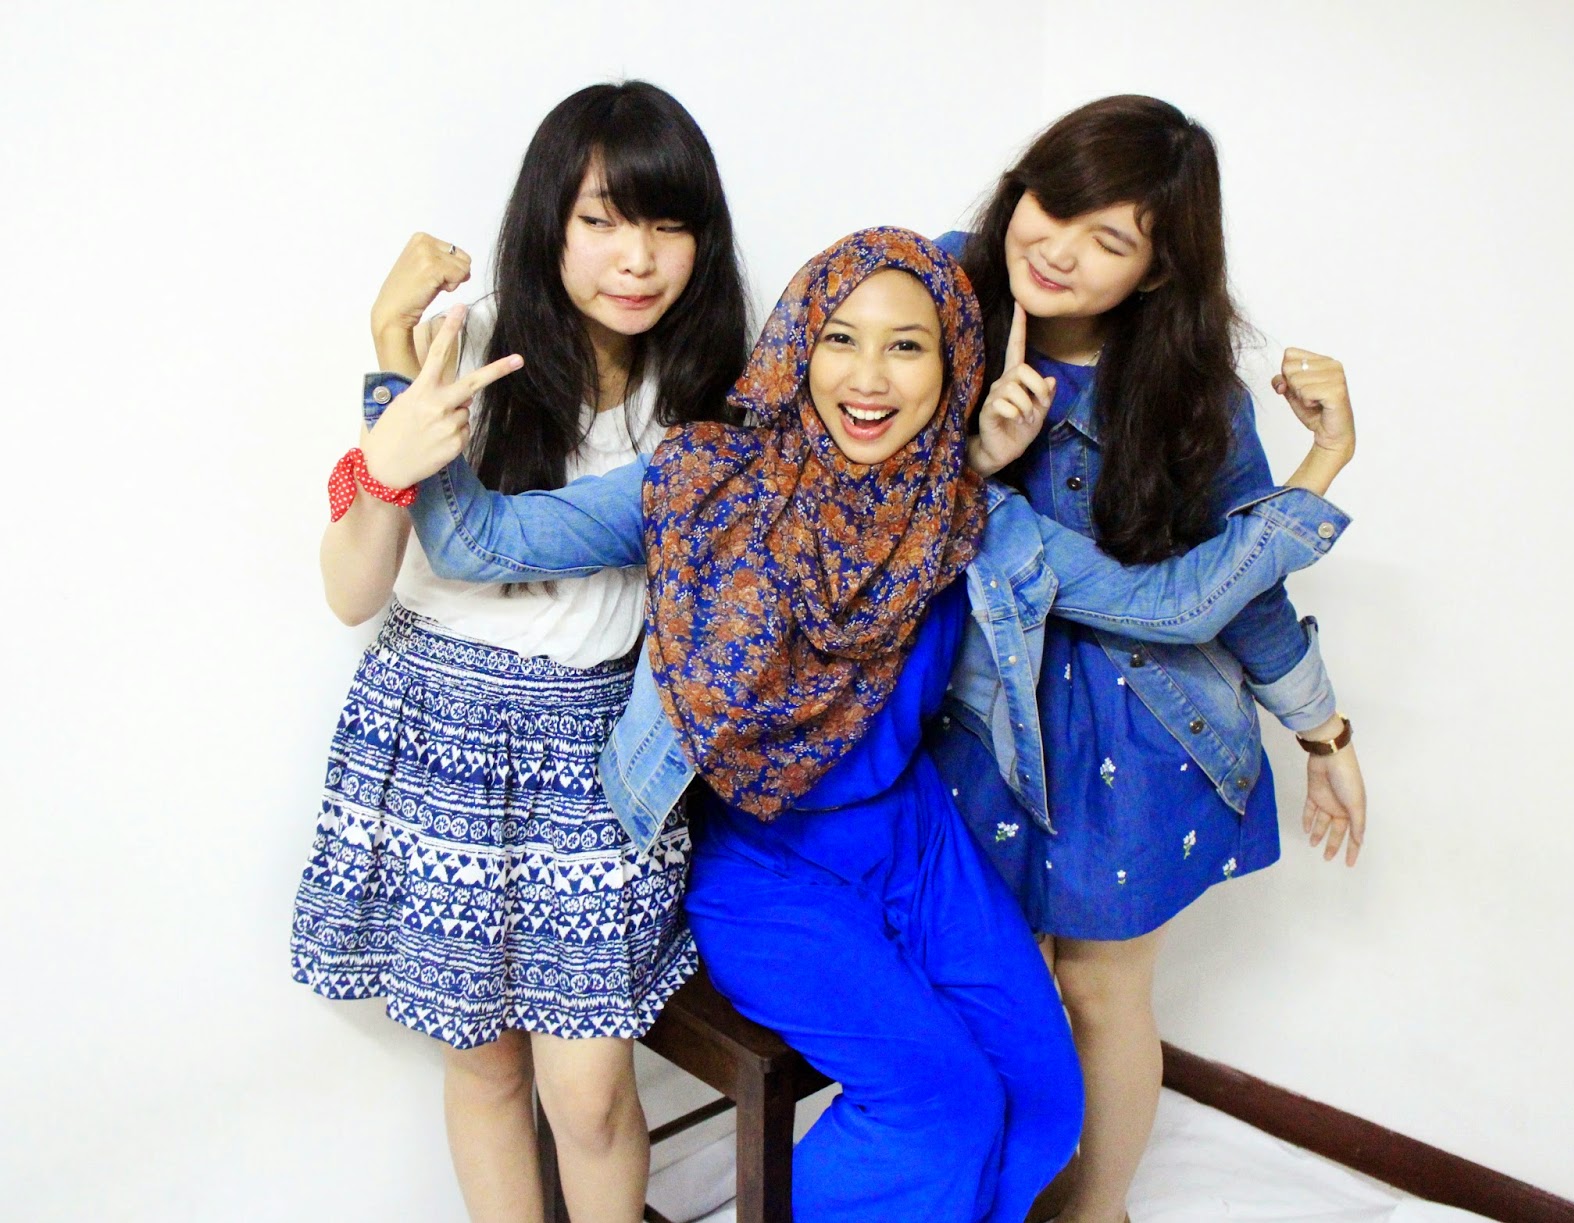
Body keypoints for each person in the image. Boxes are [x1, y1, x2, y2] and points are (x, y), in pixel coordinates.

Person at [361, 226, 1356, 1221]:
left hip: (918, 843)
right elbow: (475, 539)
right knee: (941, 1112)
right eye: (840, 338)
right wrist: (397, 369)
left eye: (907, 345)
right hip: (764, 864)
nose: (868, 376)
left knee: (1048, 1103)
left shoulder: (966, 514)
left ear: (952, 366)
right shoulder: (701, 479)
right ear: (799, 346)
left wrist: (1324, 459)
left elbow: (1172, 605)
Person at [290, 80, 748, 1223]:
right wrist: (386, 427)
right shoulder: (469, 344)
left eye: (667, 224)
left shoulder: (709, 385)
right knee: (485, 1062)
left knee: (587, 1093)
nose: (635, 259)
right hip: (440, 733)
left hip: (601, 749)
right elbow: (350, 589)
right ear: (550, 221)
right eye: (601, 220)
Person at [926, 94, 1369, 1223]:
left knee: (1100, 990)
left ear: (1158, 268)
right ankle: (990, 1191)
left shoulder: (1189, 394)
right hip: (972, 715)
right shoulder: (937, 297)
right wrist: (975, 453)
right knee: (979, 984)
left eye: (1109, 239)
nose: (1058, 250)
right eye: (1053, 204)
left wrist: (1323, 734)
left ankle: (1096, 1209)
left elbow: (1236, 589)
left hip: (1136, 724)